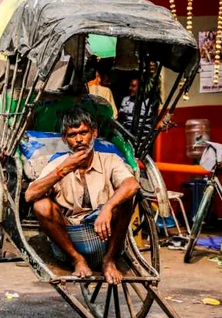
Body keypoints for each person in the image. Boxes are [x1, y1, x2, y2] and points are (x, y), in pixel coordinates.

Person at [25, 108, 139, 285]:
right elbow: (29, 195)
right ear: (65, 139)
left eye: (84, 133)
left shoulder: (109, 160)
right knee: (40, 205)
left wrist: (108, 207)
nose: (79, 140)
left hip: (104, 237)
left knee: (125, 199)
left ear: (94, 133)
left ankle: (108, 261)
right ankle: (77, 259)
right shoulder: (58, 164)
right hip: (69, 238)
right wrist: (63, 170)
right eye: (72, 135)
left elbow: (131, 184)